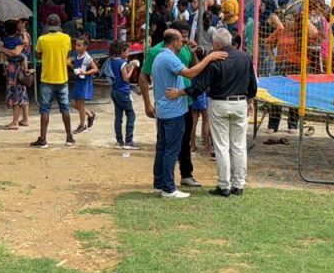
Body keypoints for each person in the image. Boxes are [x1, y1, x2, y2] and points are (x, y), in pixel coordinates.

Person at [151, 29, 226, 198]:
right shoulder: (169, 58)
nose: (183, 43)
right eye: (181, 40)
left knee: (162, 148)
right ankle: (169, 189)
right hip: (173, 111)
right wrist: (209, 58)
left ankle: (160, 183)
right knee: (171, 150)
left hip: (164, 110)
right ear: (174, 42)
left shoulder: (159, 57)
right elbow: (191, 73)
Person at [186, 28, 257, 197]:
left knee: (222, 146)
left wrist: (182, 92)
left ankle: (224, 184)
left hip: (219, 103)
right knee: (239, 146)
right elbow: (252, 83)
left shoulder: (215, 59)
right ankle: (239, 184)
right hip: (240, 102)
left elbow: (200, 86)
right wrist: (251, 101)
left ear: (216, 44)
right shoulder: (245, 57)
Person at [31, 14, 74, 148]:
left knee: (45, 110)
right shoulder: (66, 38)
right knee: (65, 109)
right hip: (62, 78)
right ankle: (69, 137)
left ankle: (43, 139)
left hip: (47, 79)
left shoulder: (42, 39)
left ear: (48, 25)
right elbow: (67, 53)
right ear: (59, 25)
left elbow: (37, 54)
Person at [108, 40, 139, 149]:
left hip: (114, 91)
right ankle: (129, 141)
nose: (128, 53)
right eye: (127, 51)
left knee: (118, 116)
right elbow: (126, 78)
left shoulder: (111, 61)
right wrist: (132, 68)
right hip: (123, 92)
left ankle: (119, 141)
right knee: (131, 115)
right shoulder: (122, 63)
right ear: (121, 51)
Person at [70, 36, 98, 134]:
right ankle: (90, 115)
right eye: (76, 45)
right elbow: (77, 68)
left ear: (85, 46)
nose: (76, 47)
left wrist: (84, 73)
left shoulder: (87, 57)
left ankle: (83, 125)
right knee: (74, 104)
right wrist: (70, 65)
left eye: (79, 45)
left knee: (80, 104)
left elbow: (95, 69)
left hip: (85, 82)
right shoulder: (77, 56)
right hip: (79, 81)